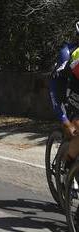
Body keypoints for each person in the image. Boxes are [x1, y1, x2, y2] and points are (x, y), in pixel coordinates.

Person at [49, 21, 79, 163]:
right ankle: (67, 165)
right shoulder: (67, 54)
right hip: (64, 93)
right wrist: (64, 119)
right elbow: (55, 86)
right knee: (74, 130)